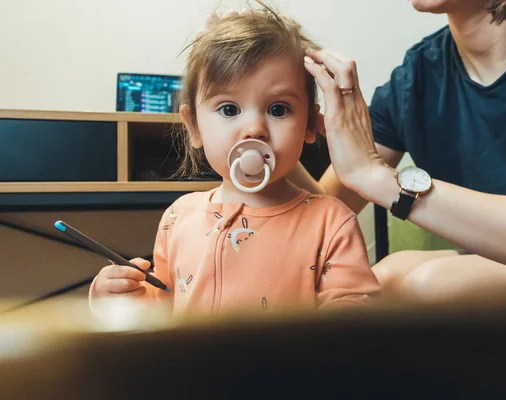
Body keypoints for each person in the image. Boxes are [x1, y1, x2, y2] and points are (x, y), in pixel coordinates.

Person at [297, 0, 506, 304]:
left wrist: (385, 182)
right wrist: (267, 133)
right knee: (379, 281)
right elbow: (313, 222)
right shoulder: (417, 76)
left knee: (431, 284)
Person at [88, 4, 380, 317]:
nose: (254, 128)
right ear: (194, 128)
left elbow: (356, 319)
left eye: (278, 109)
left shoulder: (331, 221)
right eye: (229, 109)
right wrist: (121, 297)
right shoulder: (179, 217)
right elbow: (165, 307)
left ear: (310, 125)